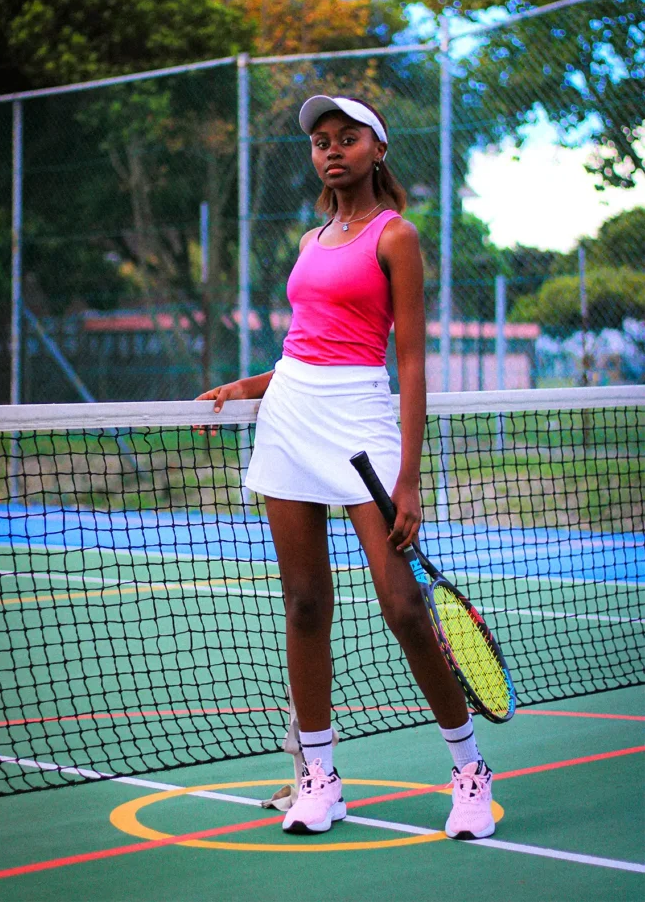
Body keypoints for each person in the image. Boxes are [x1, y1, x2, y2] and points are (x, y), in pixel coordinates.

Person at [197, 95, 496, 839]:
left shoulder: (397, 236)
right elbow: (306, 345)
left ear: (377, 149)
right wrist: (249, 386)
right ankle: (321, 780)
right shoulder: (310, 238)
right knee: (303, 605)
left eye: (347, 138)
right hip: (290, 421)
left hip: (363, 424)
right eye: (321, 141)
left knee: (401, 606)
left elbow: (413, 360)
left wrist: (410, 478)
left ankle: (469, 772)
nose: (331, 150)